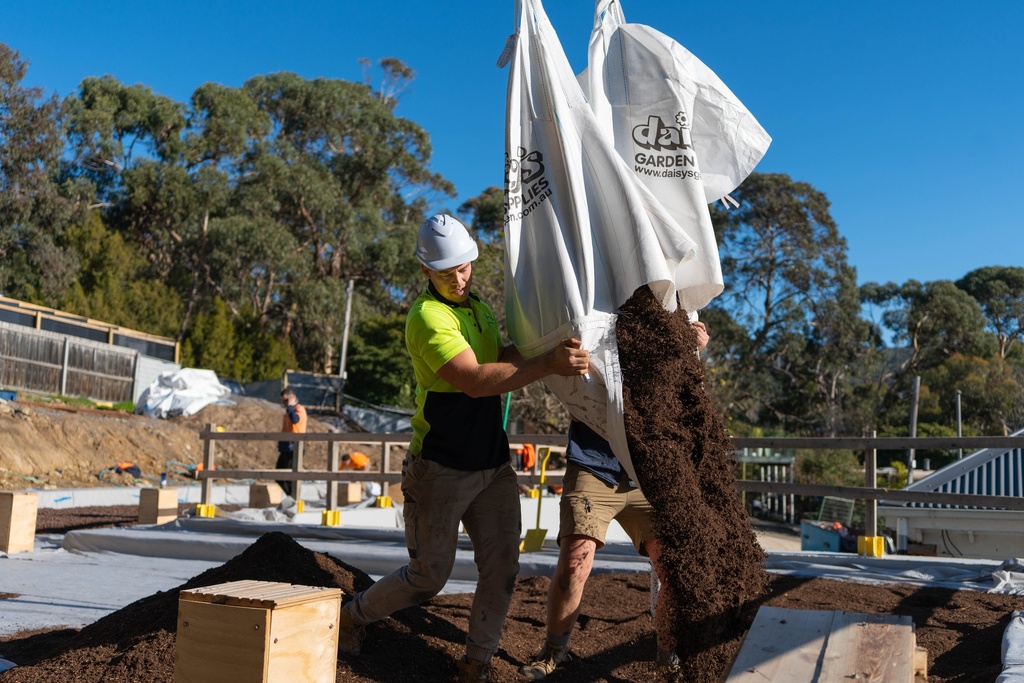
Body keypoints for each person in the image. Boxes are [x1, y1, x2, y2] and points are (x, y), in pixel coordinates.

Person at [337, 214, 590, 683]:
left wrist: (550, 347)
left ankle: (477, 663)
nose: (459, 278)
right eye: (448, 270)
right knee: (428, 577)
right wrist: (548, 365)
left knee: (502, 568)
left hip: (492, 464)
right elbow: (474, 380)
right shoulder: (427, 318)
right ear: (425, 271)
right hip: (440, 468)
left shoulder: (479, 308)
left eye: (465, 267)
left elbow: (500, 358)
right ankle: (350, 618)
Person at [519, 320, 709, 680]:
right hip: (595, 464)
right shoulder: (593, 323)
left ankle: (668, 656)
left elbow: (684, 397)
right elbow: (576, 392)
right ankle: (555, 651)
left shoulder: (662, 331)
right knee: (576, 563)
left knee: (675, 567)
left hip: (648, 470)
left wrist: (695, 349)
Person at [275, 388, 306, 497]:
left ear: (291, 398)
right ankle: (291, 497)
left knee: (289, 477)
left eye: (285, 400)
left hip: (294, 448)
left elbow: (295, 420)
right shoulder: (289, 410)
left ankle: (294, 499)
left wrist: (290, 406)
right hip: (286, 447)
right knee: (278, 476)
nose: (283, 403)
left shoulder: (299, 409)